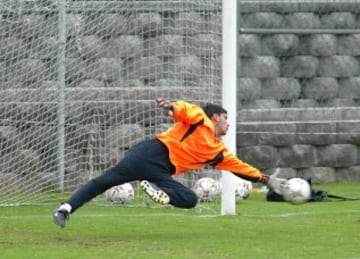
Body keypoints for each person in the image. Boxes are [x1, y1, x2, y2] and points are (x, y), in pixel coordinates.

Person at [53, 98, 286, 228]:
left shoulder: (218, 152)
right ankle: (65, 209)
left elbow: (241, 168)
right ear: (215, 117)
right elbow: (185, 109)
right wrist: (171, 108)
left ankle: (156, 189)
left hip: (162, 172)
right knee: (104, 181)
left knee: (191, 200)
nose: (228, 124)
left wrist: (265, 179)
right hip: (150, 154)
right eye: (226, 119)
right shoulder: (201, 119)